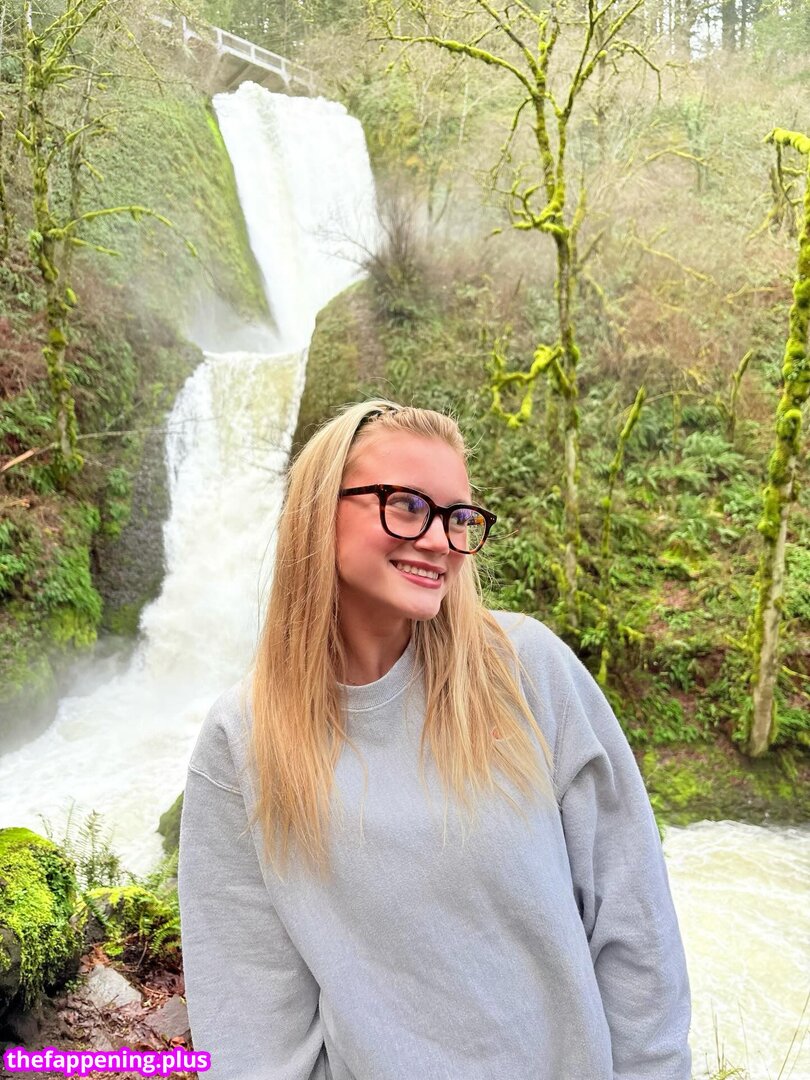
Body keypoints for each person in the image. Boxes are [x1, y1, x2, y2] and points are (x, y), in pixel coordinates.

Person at [178, 399, 692, 1080]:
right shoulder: (243, 741)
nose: (441, 540)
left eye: (457, 517)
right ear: (320, 509)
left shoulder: (528, 673)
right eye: (407, 505)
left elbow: (636, 924)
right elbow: (248, 1015)